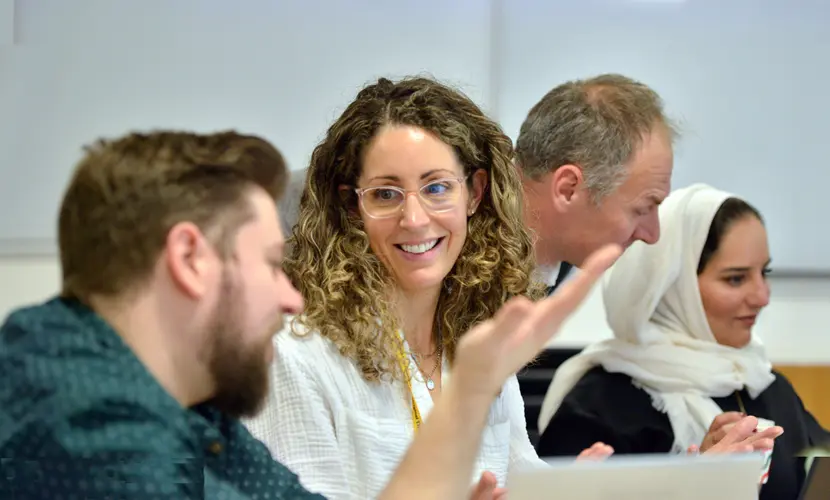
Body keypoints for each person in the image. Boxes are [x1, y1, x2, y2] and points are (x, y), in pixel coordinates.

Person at [0, 129, 621, 500]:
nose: (290, 296)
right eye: (270, 264)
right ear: (190, 258)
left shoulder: (190, 411)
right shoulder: (80, 415)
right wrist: (470, 393)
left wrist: (475, 383)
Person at [243, 76, 615, 500]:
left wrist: (570, 489)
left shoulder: (474, 341)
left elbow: (515, 473)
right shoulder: (295, 356)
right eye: (386, 194)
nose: (415, 219)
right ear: (351, 206)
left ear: (474, 193)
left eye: (437, 187)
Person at [535, 183, 828, 499]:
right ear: (671, 286)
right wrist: (695, 482)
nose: (762, 296)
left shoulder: (765, 385)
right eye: (736, 278)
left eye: (764, 273)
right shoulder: (596, 409)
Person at [514, 73, 675, 294]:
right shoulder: (454, 258)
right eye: (642, 209)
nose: (652, 235)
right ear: (567, 189)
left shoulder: (562, 255)